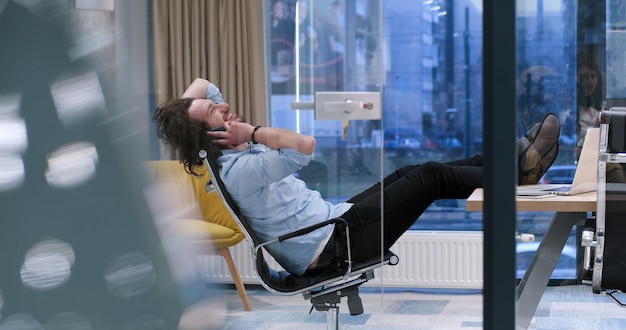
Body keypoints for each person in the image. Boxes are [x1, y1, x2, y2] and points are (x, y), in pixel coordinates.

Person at [153, 78, 560, 276]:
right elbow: (304, 145)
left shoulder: (226, 151)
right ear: (211, 135)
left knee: (412, 171)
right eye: (214, 113)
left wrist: (189, 115)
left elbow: (205, 85)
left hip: (332, 222)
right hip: (331, 246)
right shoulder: (241, 168)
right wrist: (255, 133)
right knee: (431, 176)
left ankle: (515, 161)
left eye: (215, 107)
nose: (223, 108)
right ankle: (517, 171)